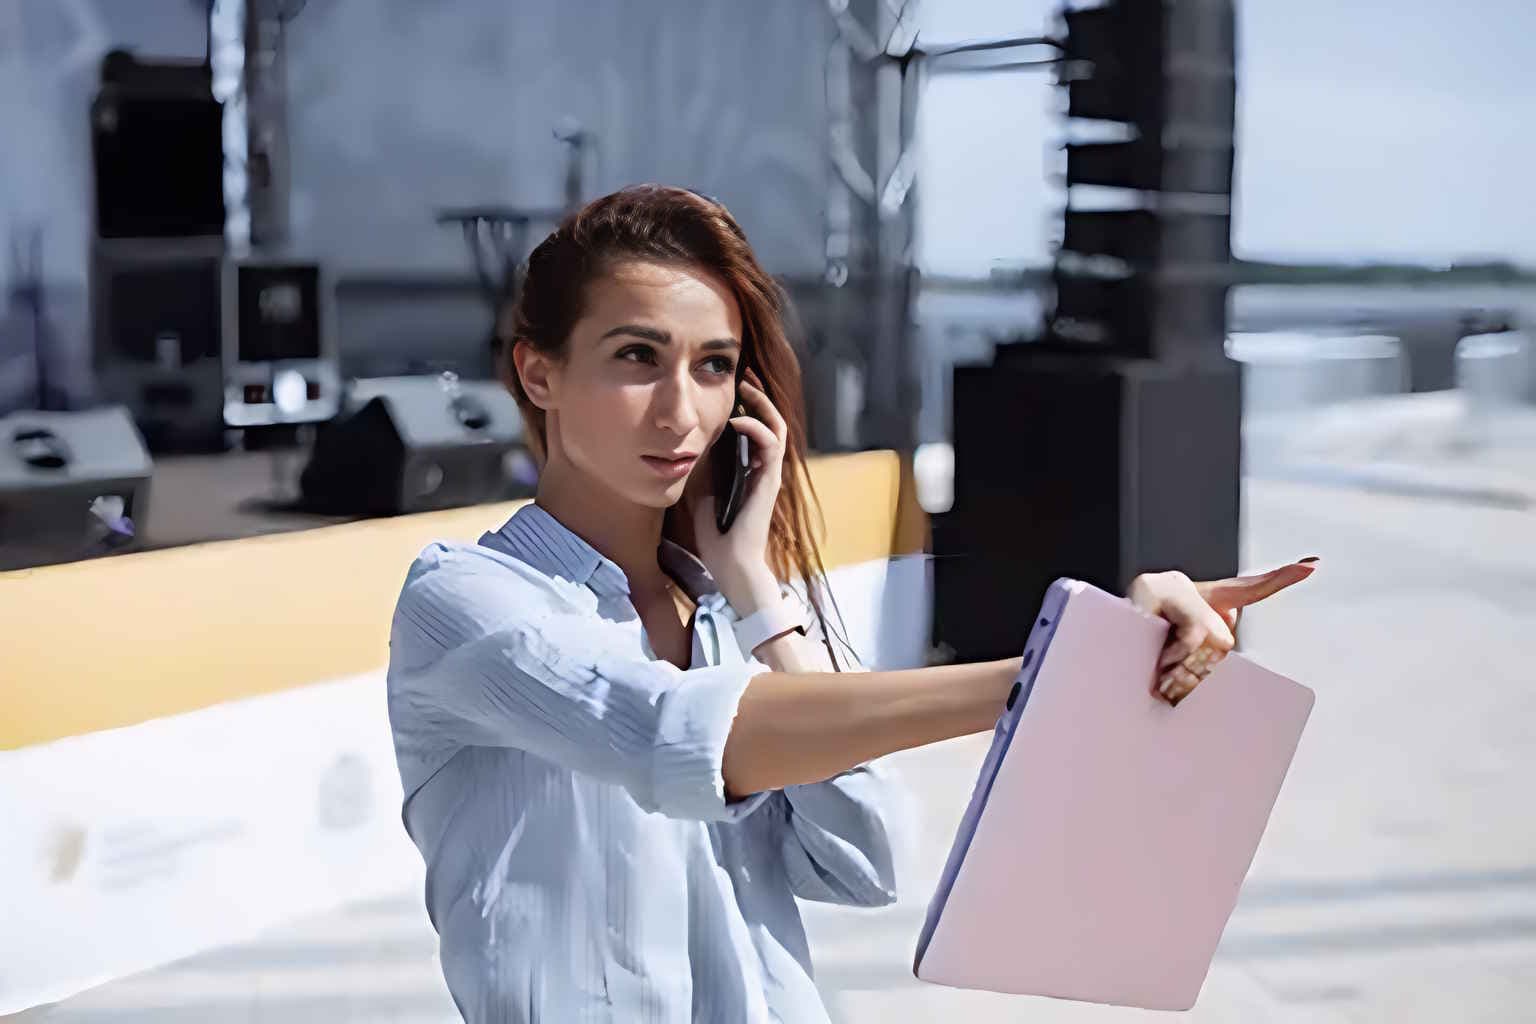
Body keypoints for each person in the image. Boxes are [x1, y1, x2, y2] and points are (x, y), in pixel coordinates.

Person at [385, 184, 1316, 1023]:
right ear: (539, 372)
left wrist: (752, 586)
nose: (681, 411)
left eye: (714, 367)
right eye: (638, 357)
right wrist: (1077, 664)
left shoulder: (723, 617)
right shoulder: (468, 604)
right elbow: (679, 735)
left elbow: (865, 858)